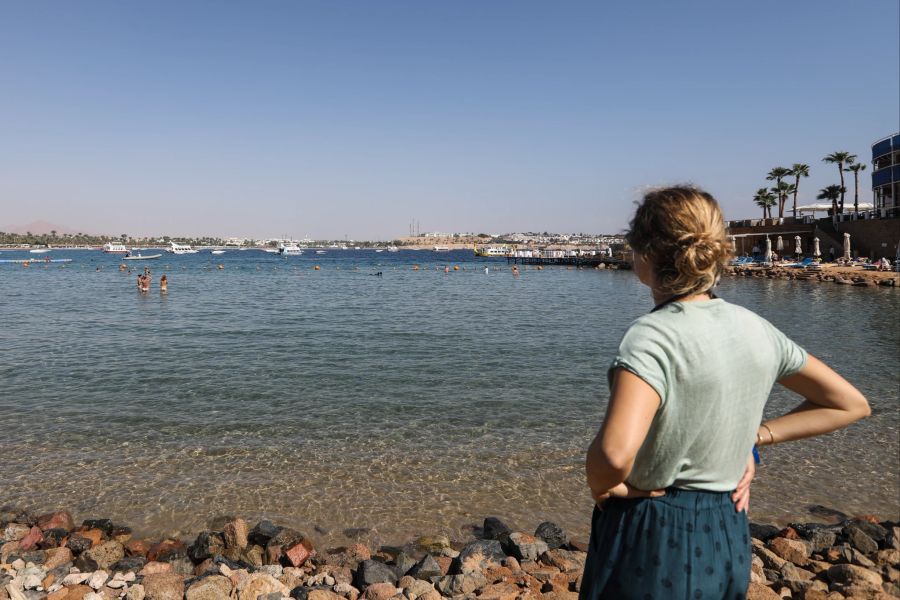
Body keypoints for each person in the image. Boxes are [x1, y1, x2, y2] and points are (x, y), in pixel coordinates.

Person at [581, 186, 869, 600]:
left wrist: (606, 487)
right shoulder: (755, 328)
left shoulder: (652, 337)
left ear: (644, 253)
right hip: (729, 524)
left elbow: (613, 455)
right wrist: (754, 437)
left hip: (653, 529)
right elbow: (849, 403)